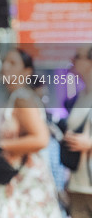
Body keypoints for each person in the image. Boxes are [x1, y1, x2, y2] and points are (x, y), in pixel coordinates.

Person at [0, 48, 62, 218]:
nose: (6, 67)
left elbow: (41, 139)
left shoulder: (22, 98)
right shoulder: (14, 97)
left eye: (13, 63)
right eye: (5, 62)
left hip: (23, 180)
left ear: (26, 71)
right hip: (15, 177)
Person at [64, 45, 92, 218]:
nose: (72, 61)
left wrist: (89, 144)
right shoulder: (80, 96)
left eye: (78, 56)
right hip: (78, 183)